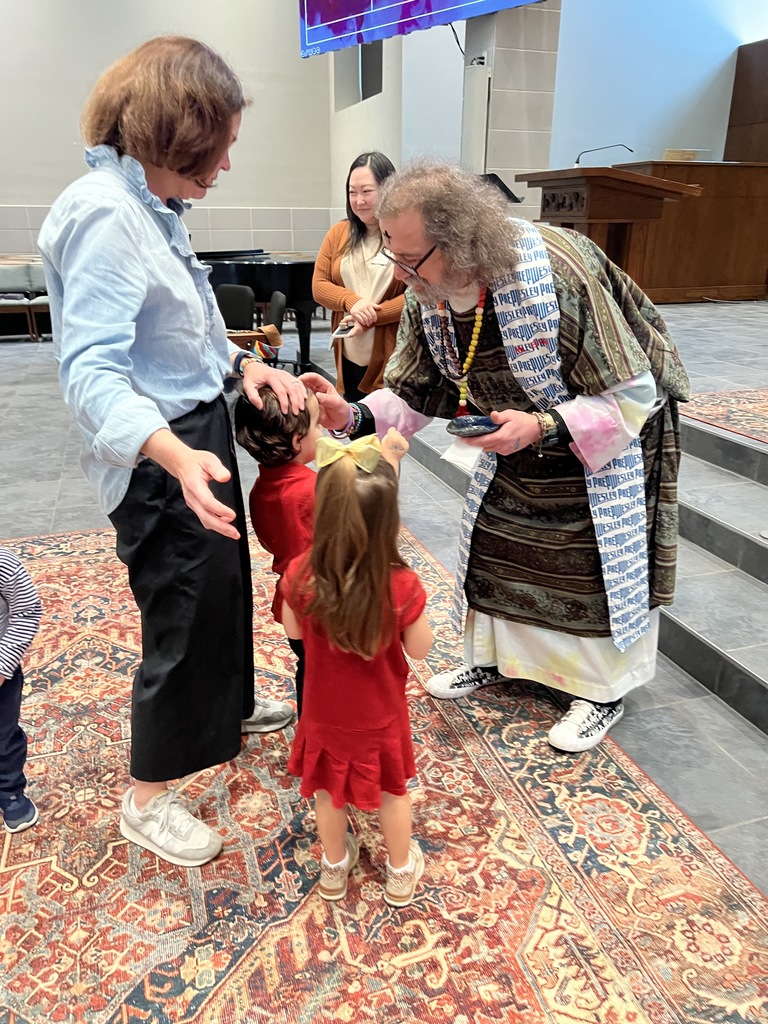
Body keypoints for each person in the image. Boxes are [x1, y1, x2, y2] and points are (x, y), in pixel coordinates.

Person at [302, 161, 690, 755]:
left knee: (580, 566)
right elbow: (415, 388)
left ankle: (599, 691)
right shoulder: (428, 289)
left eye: (412, 260)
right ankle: (498, 661)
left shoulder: (558, 271)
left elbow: (634, 392)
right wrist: (348, 415)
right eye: (394, 258)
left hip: (599, 437)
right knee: (497, 545)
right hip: (512, 434)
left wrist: (541, 426)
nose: (402, 276)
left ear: (459, 239)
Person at [38, 37, 307, 868]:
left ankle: (223, 712)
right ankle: (145, 798)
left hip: (194, 428)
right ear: (175, 130)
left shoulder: (151, 206)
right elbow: (91, 375)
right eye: (219, 142)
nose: (227, 161)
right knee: (182, 611)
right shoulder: (103, 215)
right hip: (158, 453)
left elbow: (184, 332)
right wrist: (173, 455)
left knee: (223, 589)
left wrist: (244, 363)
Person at [282, 434, 433, 907]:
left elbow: (296, 635)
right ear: (389, 523)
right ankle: (400, 872)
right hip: (382, 718)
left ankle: (332, 870)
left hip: (324, 715)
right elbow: (423, 650)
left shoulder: (301, 575)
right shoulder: (402, 586)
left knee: (328, 793)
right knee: (393, 792)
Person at [234, 386, 324, 718]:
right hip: (322, 603)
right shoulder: (312, 489)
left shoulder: (261, 489)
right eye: (317, 426)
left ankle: (309, 730)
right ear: (298, 441)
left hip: (291, 602)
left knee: (308, 667)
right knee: (335, 674)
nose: (323, 432)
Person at [312, 152, 406, 401]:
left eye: (366, 191)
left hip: (392, 352)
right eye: (352, 192)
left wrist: (372, 315)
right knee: (355, 425)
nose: (359, 200)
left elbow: (420, 294)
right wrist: (352, 302)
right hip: (349, 349)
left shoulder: (405, 233)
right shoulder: (339, 232)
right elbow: (319, 286)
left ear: (388, 189)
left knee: (388, 431)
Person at [0, 548, 43, 834]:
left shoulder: (3, 565)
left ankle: (9, 789)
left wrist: (2, 665)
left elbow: (27, 611)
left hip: (1, 678)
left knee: (3, 737)